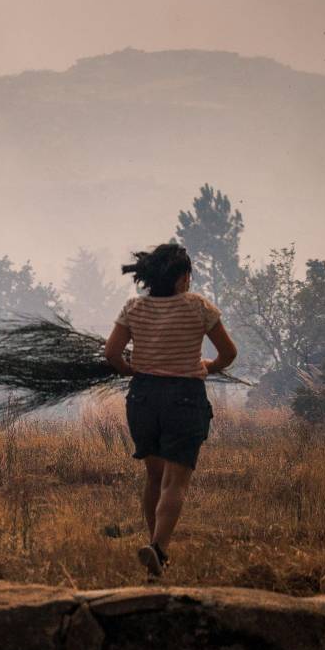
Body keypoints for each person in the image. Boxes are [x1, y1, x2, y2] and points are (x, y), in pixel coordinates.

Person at [103, 243, 237, 578]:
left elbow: (112, 353)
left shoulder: (134, 308)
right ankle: (159, 551)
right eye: (188, 274)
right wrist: (210, 365)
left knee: (154, 476)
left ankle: (154, 549)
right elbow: (229, 353)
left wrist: (130, 370)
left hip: (143, 398)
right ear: (180, 278)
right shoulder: (198, 306)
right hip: (184, 398)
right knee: (175, 482)